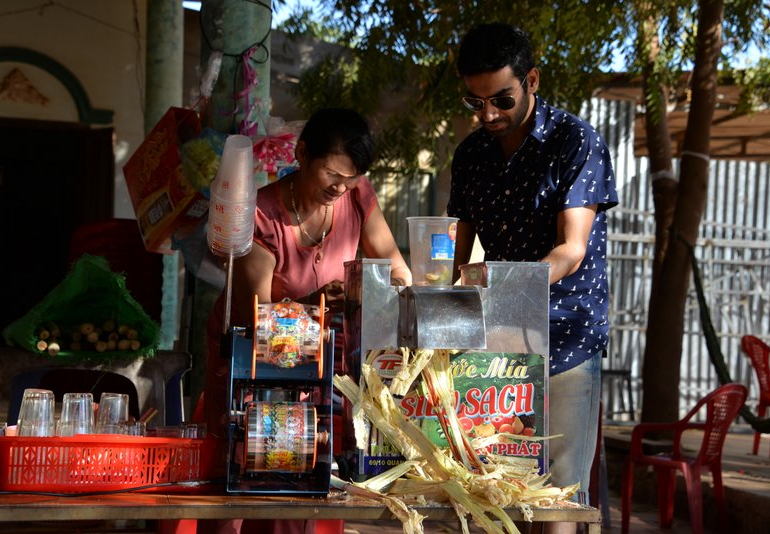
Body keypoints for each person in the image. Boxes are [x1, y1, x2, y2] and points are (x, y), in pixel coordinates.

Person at [201, 107, 412, 534]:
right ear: (301, 154)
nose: (341, 186)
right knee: (242, 488)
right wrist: (316, 302)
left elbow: (396, 270)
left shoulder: (357, 195)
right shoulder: (260, 214)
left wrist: (379, 292)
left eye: (351, 177)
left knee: (306, 496)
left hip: (324, 368)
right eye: (333, 173)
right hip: (256, 368)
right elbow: (259, 316)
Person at [448, 22, 619, 532]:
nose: (488, 115)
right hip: (496, 346)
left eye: (501, 99)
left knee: (557, 501)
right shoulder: (471, 154)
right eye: (475, 103)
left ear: (532, 80)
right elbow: (453, 256)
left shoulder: (576, 140)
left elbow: (571, 249)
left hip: (565, 336)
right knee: (489, 493)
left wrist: (498, 281)